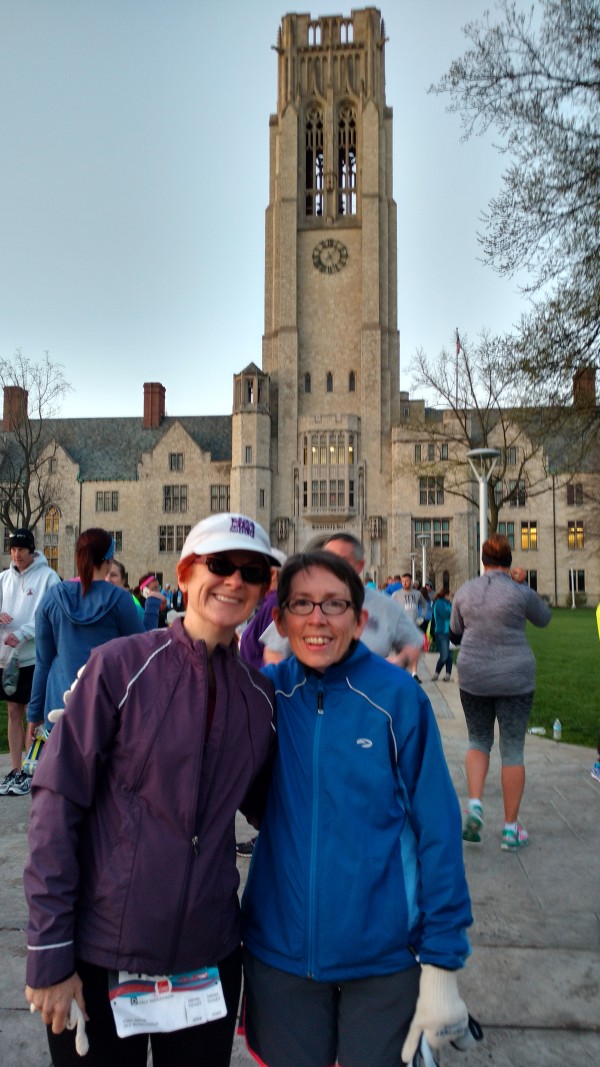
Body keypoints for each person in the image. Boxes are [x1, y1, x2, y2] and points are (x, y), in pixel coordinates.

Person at [24, 512, 279, 1067]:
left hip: (206, 957)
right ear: (185, 574)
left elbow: (278, 811)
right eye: (221, 565)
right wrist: (48, 953)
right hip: (102, 953)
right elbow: (56, 804)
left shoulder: (260, 699)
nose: (235, 580)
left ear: (264, 590)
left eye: (252, 571)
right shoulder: (120, 667)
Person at [241, 549, 472, 1067]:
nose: (317, 619)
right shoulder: (266, 695)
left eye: (334, 604)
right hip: (280, 952)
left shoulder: (396, 698)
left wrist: (442, 962)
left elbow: (436, 826)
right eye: (301, 604)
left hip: (382, 954)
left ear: (360, 617)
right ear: (279, 620)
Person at [450, 534, 552, 850]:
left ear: (483, 560)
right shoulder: (519, 592)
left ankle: (476, 804)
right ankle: (510, 829)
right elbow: (544, 618)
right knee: (512, 750)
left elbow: (454, 633)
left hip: (474, 675)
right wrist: (523, 585)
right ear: (510, 562)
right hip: (515, 677)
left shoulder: (466, 591)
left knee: (478, 740)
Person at [27, 530, 150, 734]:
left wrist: (34, 714)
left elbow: (43, 662)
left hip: (58, 706)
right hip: (107, 706)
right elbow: (141, 655)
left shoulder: (53, 597)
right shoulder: (121, 600)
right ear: (109, 560)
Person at [259, 534, 424, 671]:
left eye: (340, 560)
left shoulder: (386, 606)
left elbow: (414, 642)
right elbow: (274, 650)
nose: (331, 566)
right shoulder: (300, 603)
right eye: (326, 560)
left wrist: (399, 662)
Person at [0, 529, 60, 798]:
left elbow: (49, 614)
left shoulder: (48, 577)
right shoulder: (3, 578)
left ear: (32, 550)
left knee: (31, 714)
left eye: (22, 550)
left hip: (34, 656)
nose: (16, 555)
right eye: (12, 549)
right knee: (13, 710)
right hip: (7, 658)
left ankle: (29, 769)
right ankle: (15, 769)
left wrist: (22, 633)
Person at [106, 559, 162, 630]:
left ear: (123, 581)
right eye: (154, 588)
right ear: (144, 589)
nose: (107, 579)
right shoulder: (135, 604)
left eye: (113, 575)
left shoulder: (135, 608)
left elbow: (145, 636)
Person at [391, 574, 428, 682]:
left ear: (411, 581)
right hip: (401, 627)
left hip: (414, 626)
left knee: (415, 649)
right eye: (402, 581)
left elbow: (425, 605)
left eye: (407, 581)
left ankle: (414, 673)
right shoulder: (396, 595)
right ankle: (401, 672)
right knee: (400, 650)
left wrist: (422, 617)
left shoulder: (417, 594)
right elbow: (391, 608)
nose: (404, 583)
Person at [432, 586, 453, 682]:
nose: (451, 597)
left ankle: (448, 674)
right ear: (446, 595)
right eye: (450, 595)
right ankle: (436, 673)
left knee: (450, 654)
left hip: (450, 631)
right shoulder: (439, 603)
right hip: (441, 632)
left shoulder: (449, 603)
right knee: (444, 655)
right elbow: (446, 614)